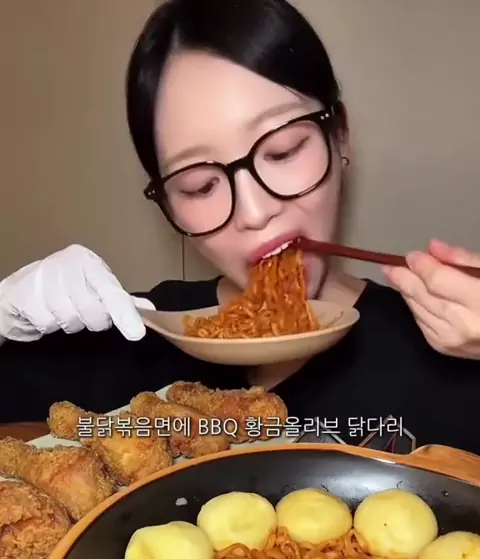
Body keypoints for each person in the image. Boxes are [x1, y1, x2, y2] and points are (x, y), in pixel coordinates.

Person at [1, 0, 479, 453]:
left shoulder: (448, 351)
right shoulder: (129, 337)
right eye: (201, 185)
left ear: (339, 135)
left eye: (283, 151)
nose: (254, 212)